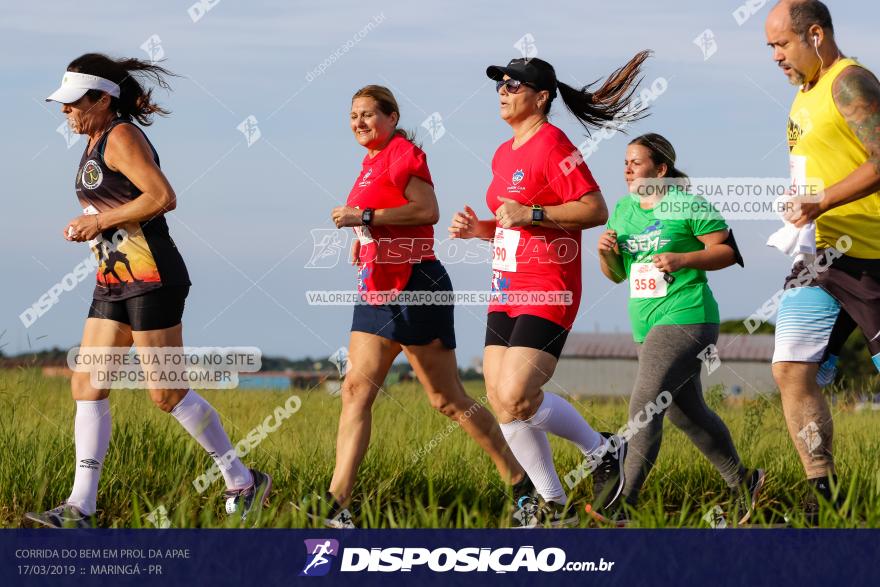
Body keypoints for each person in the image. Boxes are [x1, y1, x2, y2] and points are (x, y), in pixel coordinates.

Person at [24, 53, 270, 528]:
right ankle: (80, 508)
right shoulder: (96, 138)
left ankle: (242, 480)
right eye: (64, 103)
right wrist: (97, 231)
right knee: (87, 383)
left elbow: (162, 197)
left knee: (166, 393)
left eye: (74, 102)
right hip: (114, 279)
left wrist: (98, 221)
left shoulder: (120, 136)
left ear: (102, 99)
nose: (65, 111)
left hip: (152, 277)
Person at [448, 54, 655, 526]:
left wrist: (534, 214)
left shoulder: (554, 144)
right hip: (506, 287)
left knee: (519, 394)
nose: (503, 91)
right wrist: (478, 229)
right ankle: (552, 505)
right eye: (500, 84)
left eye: (514, 85)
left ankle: (603, 448)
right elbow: (511, 223)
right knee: (501, 402)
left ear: (541, 97)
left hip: (549, 286)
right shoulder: (504, 152)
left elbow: (595, 209)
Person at [316, 84, 535, 528]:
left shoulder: (404, 155)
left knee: (446, 398)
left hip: (417, 284)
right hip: (377, 287)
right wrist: (366, 243)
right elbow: (380, 221)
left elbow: (427, 210)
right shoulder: (368, 164)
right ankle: (337, 505)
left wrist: (364, 218)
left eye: (368, 114)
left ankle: (521, 484)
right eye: (353, 115)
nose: (359, 122)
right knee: (356, 391)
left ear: (392, 117)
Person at [589, 133, 764, 526]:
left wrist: (684, 257)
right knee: (687, 414)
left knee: (643, 407)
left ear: (661, 169)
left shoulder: (687, 203)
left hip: (687, 315)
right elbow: (618, 275)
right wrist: (605, 255)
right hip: (645, 324)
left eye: (636, 162)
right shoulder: (622, 210)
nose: (627, 168)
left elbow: (727, 252)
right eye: (625, 162)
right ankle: (746, 482)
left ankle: (625, 503)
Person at [765, 0, 880, 522]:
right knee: (792, 369)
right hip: (819, 256)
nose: (775, 57)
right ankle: (826, 499)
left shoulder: (848, 81)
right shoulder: (802, 97)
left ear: (815, 35)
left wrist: (823, 199)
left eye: (781, 44)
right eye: (770, 47)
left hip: (871, 255)